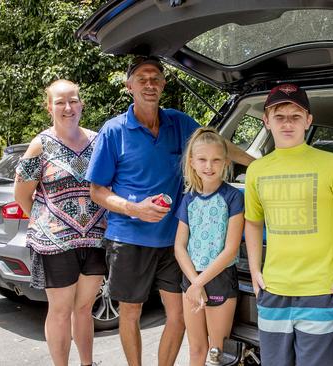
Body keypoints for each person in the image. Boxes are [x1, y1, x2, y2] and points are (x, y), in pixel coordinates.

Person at [86, 55, 253, 366]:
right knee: (131, 312)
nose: (150, 84)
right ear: (129, 86)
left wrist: (257, 165)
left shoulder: (178, 122)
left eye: (155, 78)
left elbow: (216, 145)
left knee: (178, 315)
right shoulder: (114, 131)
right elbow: (97, 191)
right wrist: (134, 208)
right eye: (142, 79)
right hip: (129, 238)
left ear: (162, 85)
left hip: (175, 244)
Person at [244, 83, 333, 366]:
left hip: (320, 289)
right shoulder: (256, 170)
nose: (288, 123)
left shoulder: (332, 163)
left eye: (295, 116)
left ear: (308, 120)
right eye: (279, 116)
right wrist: (254, 270)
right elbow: (252, 223)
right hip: (273, 289)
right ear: (266, 121)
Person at [14, 79, 107, 366]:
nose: (68, 107)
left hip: (95, 240)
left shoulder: (98, 140)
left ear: (81, 104)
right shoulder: (40, 145)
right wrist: (49, 223)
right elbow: (22, 195)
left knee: (84, 309)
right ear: (49, 107)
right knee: (60, 311)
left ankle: (87, 363)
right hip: (54, 245)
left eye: (74, 100)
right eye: (60, 102)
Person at [173, 127, 244, 365]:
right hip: (191, 280)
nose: (209, 166)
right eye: (202, 159)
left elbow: (231, 249)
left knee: (217, 352)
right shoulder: (189, 198)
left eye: (215, 160)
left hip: (219, 279)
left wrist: (199, 283)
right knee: (195, 348)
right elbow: (180, 246)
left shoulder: (233, 197)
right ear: (192, 162)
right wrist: (194, 282)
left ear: (225, 162)